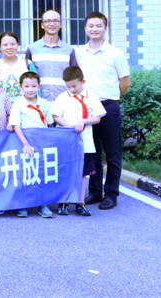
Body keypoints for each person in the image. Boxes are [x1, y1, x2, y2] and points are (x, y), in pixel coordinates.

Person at [76, 12, 131, 211]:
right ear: (85, 28)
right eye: (91, 26)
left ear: (105, 28)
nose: (94, 29)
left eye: (99, 25)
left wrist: (113, 98)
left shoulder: (115, 53)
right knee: (93, 152)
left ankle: (111, 194)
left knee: (113, 153)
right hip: (87, 109)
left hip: (108, 107)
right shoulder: (79, 52)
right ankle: (95, 192)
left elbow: (125, 82)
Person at [52, 66, 106, 217]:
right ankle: (63, 202)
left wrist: (84, 121)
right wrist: (68, 126)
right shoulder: (63, 97)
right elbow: (56, 116)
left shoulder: (91, 97)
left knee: (83, 174)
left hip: (85, 143)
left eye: (74, 86)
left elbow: (98, 117)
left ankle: (80, 202)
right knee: (66, 171)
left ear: (83, 82)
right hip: (67, 142)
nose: (71, 89)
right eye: (68, 86)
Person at [8, 72, 54, 218]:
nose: (30, 89)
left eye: (34, 86)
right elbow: (16, 125)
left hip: (41, 141)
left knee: (41, 171)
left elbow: (49, 123)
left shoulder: (44, 103)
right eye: (27, 86)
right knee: (26, 172)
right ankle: (23, 204)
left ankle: (43, 204)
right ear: (21, 87)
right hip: (24, 141)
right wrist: (25, 143)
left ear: (39, 87)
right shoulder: (18, 103)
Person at [25, 10, 78, 102]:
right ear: (42, 25)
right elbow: (27, 74)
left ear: (60, 25)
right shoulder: (32, 49)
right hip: (39, 101)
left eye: (55, 21)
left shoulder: (69, 50)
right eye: (48, 21)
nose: (52, 24)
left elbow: (75, 76)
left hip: (64, 101)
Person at [0, 32, 36, 100]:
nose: (9, 47)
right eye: (5, 45)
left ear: (17, 45)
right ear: (0, 46)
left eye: (12, 44)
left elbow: (36, 87)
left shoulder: (27, 64)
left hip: (25, 105)